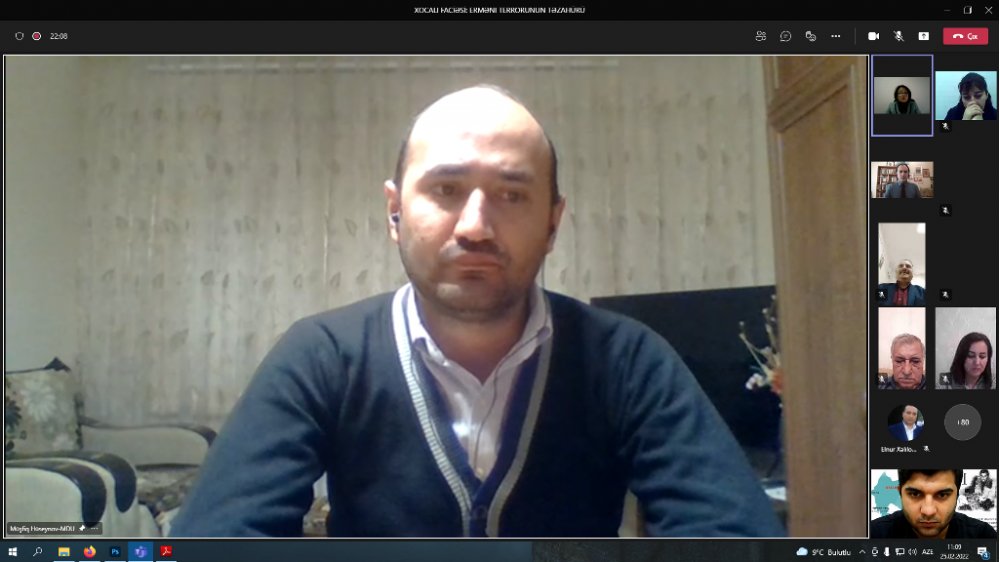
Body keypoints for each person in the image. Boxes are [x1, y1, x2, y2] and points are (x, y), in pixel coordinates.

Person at [167, 84, 784, 537]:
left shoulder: (627, 359)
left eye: (512, 195)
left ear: (553, 221)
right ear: (394, 211)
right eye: (446, 189)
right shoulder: (321, 356)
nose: (475, 226)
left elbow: (733, 535)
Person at [871, 469, 998, 538]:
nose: (928, 511)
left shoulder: (983, 536)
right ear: (900, 493)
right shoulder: (874, 534)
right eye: (914, 494)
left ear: (957, 494)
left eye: (942, 495)